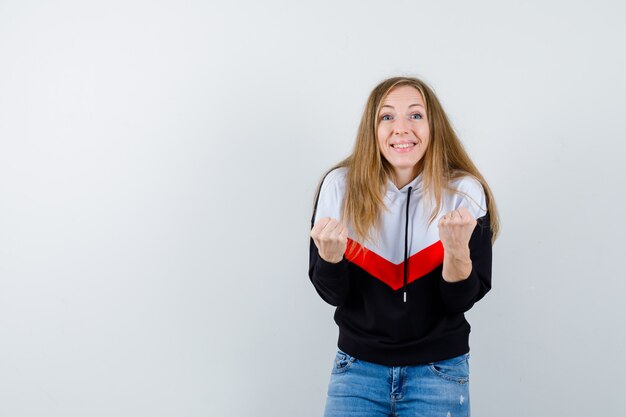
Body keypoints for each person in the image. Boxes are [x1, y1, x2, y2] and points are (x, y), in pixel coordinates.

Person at [308, 76, 500, 417]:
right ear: (373, 128)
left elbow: (460, 301)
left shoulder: (465, 193)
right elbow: (333, 295)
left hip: (439, 372)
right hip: (357, 370)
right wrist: (330, 258)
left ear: (433, 126)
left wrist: (456, 252)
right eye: (387, 117)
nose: (401, 128)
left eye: (415, 115)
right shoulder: (339, 186)